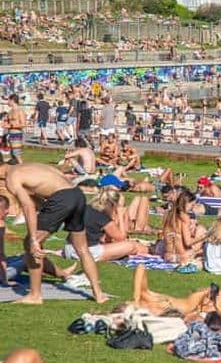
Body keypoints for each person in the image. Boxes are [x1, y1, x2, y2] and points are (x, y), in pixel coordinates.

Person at [0, 162, 105, 304]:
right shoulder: (30, 168)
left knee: (30, 245)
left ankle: (35, 295)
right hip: (77, 195)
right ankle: (98, 294)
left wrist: (33, 238)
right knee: (82, 248)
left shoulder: (12, 178)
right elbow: (41, 199)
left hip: (62, 198)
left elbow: (28, 206)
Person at [62, 188, 148, 263]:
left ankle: (150, 250)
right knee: (131, 246)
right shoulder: (102, 217)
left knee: (132, 245)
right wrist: (121, 215)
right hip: (84, 252)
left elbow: (106, 239)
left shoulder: (87, 208)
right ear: (113, 204)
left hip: (69, 248)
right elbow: (121, 238)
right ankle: (152, 251)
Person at [6, 94, 26, 164]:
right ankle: (15, 171)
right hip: (10, 133)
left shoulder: (20, 111)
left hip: (17, 133)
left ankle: (23, 170)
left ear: (12, 100)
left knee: (16, 154)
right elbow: (7, 123)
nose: (7, 102)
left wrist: (10, 126)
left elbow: (23, 124)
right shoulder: (10, 111)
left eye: (8, 100)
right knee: (12, 155)